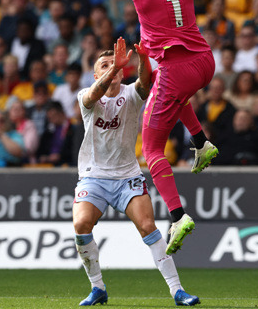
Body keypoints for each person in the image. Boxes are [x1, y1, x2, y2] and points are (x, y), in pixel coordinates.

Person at [90, 0, 219, 254]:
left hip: (176, 71)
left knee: (151, 149)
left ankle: (178, 215)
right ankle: (201, 142)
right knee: (170, 89)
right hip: (204, 62)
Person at [73, 37, 199, 306]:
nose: (112, 68)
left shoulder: (130, 94)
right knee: (81, 224)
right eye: (104, 65)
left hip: (127, 176)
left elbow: (144, 83)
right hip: (94, 177)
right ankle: (98, 287)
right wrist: (113, 68)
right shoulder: (86, 96)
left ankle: (177, 290)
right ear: (96, 74)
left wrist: (142, 59)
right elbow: (94, 94)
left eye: (116, 65)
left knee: (148, 227)